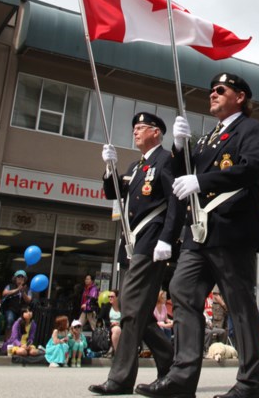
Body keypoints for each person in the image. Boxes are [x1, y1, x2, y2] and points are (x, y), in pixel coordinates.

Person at [136, 72, 259, 398]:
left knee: (239, 306)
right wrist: (179, 147)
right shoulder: (209, 137)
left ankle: (250, 383)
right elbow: (178, 176)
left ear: (239, 97)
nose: (212, 94)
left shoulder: (252, 129)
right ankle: (182, 378)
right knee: (182, 292)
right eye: (211, 90)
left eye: (220, 90)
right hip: (199, 234)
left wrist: (204, 182)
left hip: (231, 229)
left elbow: (251, 168)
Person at [89, 112, 185, 395]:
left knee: (130, 312)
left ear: (156, 132)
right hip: (131, 244)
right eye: (134, 128)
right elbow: (113, 193)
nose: (135, 132)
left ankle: (120, 379)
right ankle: (170, 362)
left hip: (151, 243)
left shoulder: (165, 160)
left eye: (141, 128)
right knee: (135, 312)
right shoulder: (136, 165)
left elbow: (176, 202)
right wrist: (110, 167)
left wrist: (168, 239)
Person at [0, 270, 31, 338]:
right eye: (18, 277)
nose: (20, 278)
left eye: (22, 277)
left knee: (22, 325)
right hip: (11, 309)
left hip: (22, 310)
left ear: (25, 279)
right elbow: (4, 293)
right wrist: (17, 289)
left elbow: (28, 300)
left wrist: (23, 292)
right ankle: (7, 341)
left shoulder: (27, 289)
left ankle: (18, 341)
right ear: (15, 278)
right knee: (10, 321)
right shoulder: (10, 286)